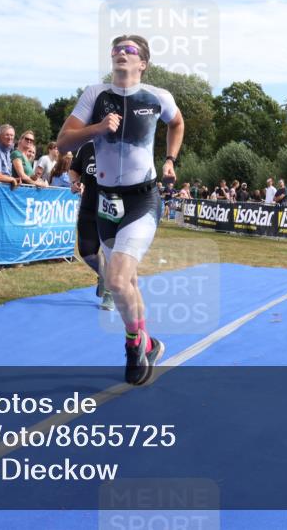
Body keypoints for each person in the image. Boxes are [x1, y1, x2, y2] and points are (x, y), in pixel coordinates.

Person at [57, 34, 184, 385]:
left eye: (129, 51)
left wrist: (170, 160)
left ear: (142, 62)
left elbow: (177, 123)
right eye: (116, 50)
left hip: (142, 199)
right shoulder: (95, 95)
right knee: (127, 281)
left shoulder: (158, 97)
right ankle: (148, 341)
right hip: (107, 202)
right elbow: (63, 141)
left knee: (114, 280)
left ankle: (133, 345)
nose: (120, 54)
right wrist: (97, 128)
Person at [70, 140, 114, 310]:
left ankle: (110, 293)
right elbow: (74, 169)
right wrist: (74, 182)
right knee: (86, 252)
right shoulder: (86, 147)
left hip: (112, 207)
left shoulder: (120, 146)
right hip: (88, 206)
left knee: (109, 251)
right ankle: (104, 276)